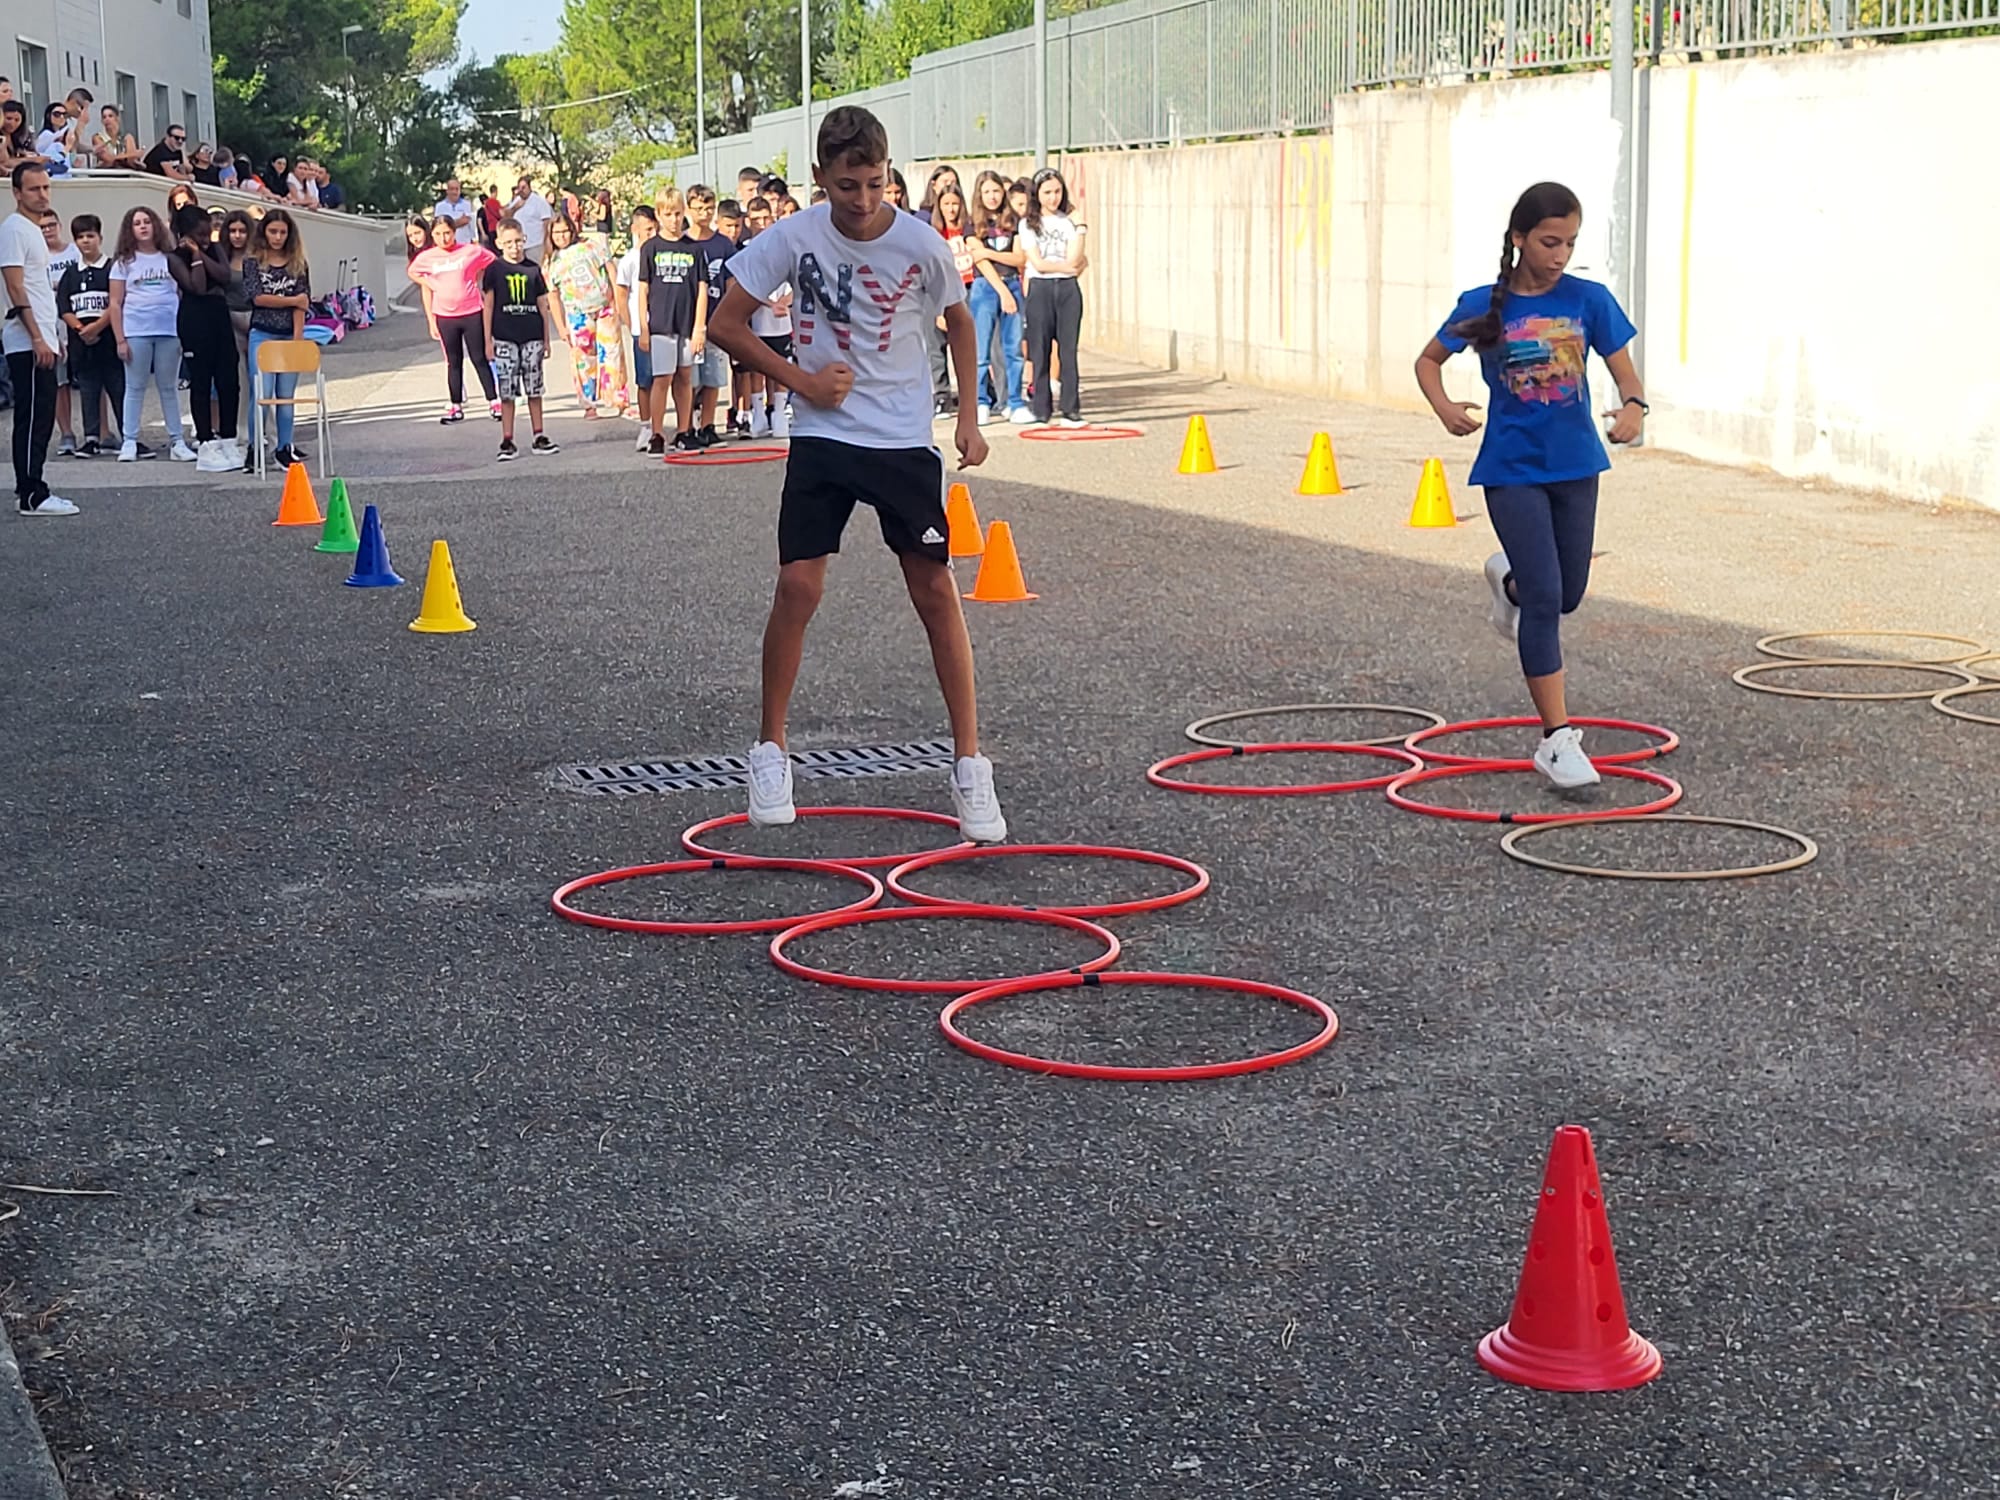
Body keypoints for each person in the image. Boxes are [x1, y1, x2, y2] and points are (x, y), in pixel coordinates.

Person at [708, 104, 1004, 841]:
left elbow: (961, 321)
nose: (864, 200)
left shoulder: (921, 243)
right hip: (823, 433)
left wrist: (968, 418)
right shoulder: (793, 236)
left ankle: (970, 764)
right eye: (847, 186)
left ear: (888, 174)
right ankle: (770, 751)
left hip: (902, 437)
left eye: (875, 184)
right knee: (798, 586)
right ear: (821, 177)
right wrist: (800, 382)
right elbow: (724, 324)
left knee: (934, 588)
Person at [1415, 181, 1647, 790]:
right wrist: (1444, 407)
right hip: (1511, 469)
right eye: (1549, 242)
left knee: (1566, 594)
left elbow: (1626, 374)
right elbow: (1427, 360)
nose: (1560, 254)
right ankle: (1556, 739)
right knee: (1545, 602)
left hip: (1577, 466)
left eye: (1570, 242)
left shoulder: (1589, 300)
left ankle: (1508, 581)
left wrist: (1634, 408)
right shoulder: (1482, 303)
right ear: (1519, 238)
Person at [2, 164, 79, 513]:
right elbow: (15, 287)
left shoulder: (33, 231)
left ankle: (30, 486)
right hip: (26, 340)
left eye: (46, 187)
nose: (43, 194)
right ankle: (33, 493)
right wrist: (36, 337)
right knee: (33, 416)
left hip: (42, 336)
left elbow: (38, 289)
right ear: (17, 193)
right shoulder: (14, 230)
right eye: (34, 189)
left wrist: (52, 335)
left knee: (42, 415)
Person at [107, 204, 196, 462]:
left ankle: (177, 441)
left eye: (147, 221)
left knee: (168, 387)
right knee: (135, 387)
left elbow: (181, 292)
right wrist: (120, 339)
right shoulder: (123, 263)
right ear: (130, 230)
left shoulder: (170, 258)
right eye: (137, 223)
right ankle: (130, 441)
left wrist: (183, 332)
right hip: (136, 331)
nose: (143, 227)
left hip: (169, 331)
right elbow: (115, 303)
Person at [168, 202, 241, 469]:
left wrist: (202, 252)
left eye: (208, 233)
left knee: (228, 379)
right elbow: (196, 286)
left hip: (218, 314)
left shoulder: (215, 248)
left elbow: (225, 276)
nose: (206, 239)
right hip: (194, 319)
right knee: (201, 381)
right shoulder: (174, 258)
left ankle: (229, 439)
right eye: (199, 235)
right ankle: (206, 443)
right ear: (185, 234)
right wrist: (195, 255)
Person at [481, 218, 559, 462]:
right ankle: (507, 438)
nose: (514, 247)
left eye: (518, 241)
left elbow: (542, 305)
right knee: (507, 391)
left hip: (531, 336)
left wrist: (546, 339)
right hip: (504, 337)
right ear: (499, 243)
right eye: (509, 243)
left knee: (534, 388)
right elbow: (488, 306)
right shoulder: (494, 270)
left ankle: (539, 434)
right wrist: (487, 340)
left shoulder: (533, 269)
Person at [408, 215, 499, 423]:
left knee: (479, 358)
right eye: (438, 234)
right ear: (432, 235)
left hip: (471, 312)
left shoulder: (469, 250)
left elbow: (490, 259)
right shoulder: (427, 257)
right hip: (445, 315)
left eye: (447, 233)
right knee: (453, 361)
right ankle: (456, 405)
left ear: (454, 232)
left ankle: (494, 401)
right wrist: (430, 284)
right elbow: (413, 272)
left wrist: (476, 277)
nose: (444, 238)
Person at [243, 208, 312, 469]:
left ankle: (285, 446)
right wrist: (292, 300)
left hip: (288, 334)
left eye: (283, 232)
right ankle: (255, 446)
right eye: (273, 231)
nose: (278, 237)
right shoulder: (253, 262)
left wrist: (297, 338)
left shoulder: (298, 264)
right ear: (264, 232)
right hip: (262, 333)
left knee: (286, 397)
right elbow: (258, 298)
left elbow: (303, 303)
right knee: (261, 393)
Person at [635, 188, 702, 456]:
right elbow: (643, 290)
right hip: (661, 324)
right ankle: (657, 433)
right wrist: (644, 327)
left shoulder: (694, 248)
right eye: (668, 214)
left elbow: (701, 289)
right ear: (659, 215)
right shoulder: (650, 248)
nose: (673, 220)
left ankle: (684, 430)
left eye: (677, 214)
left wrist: (699, 327)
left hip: (687, 323)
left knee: (685, 376)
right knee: (662, 377)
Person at [544, 210, 627, 420]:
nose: (561, 236)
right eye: (556, 233)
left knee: (612, 353)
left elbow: (611, 271)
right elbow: (553, 297)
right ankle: (589, 404)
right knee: (583, 359)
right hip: (578, 314)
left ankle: (618, 399)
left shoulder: (591, 246)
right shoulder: (551, 262)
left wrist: (618, 301)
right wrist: (561, 327)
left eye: (565, 231)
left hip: (604, 307)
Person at [1020, 166, 1086, 428]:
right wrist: (1063, 266)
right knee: (1040, 350)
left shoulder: (1068, 221)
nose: (1053, 197)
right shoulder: (1028, 223)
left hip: (1068, 289)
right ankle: (1041, 409)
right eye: (1047, 192)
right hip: (1041, 288)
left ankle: (1070, 410)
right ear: (1037, 194)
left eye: (1057, 191)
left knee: (1068, 351)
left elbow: (1076, 259)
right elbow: (1037, 263)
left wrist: (1081, 226)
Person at [57, 211, 122, 457]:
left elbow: (117, 301)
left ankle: (129, 436)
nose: (86, 241)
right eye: (81, 237)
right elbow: (64, 307)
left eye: (90, 235)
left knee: (118, 389)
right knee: (88, 390)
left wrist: (97, 327)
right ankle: (91, 437)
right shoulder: (71, 273)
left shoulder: (112, 268)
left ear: (100, 238)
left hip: (109, 341)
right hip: (81, 345)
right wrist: (80, 329)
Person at [966, 171, 1028, 425]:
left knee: (1013, 349)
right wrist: (1002, 292)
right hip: (985, 288)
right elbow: (978, 259)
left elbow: (1019, 258)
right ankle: (980, 402)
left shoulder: (1014, 221)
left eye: (996, 191)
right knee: (981, 351)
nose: (992, 196)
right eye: (987, 191)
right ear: (979, 194)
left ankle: (1015, 402)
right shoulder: (972, 223)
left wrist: (989, 253)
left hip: (1012, 282)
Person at [684, 183, 734, 446]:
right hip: (687, 322)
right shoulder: (682, 243)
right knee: (689, 378)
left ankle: (708, 425)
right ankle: (687, 425)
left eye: (709, 208)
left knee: (713, 376)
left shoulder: (722, 244)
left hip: (715, 318)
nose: (704, 213)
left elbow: (730, 283)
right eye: (698, 208)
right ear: (689, 209)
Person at [739, 196, 791, 441]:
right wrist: (768, 303)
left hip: (782, 321)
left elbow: (796, 280)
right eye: (756, 219)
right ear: (748, 221)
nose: (761, 223)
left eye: (765, 218)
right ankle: (758, 415)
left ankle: (779, 414)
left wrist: (784, 302)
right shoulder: (745, 249)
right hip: (757, 320)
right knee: (756, 370)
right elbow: (744, 285)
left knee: (781, 367)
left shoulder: (784, 244)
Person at [612, 203, 658, 452]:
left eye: (654, 229)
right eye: (647, 230)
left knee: (673, 377)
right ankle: (646, 426)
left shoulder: (662, 253)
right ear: (635, 229)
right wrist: (632, 325)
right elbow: (622, 295)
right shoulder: (629, 261)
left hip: (666, 324)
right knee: (645, 379)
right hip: (643, 328)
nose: (652, 234)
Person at [929, 181, 974, 416]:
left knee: (969, 344)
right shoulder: (933, 234)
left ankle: (975, 395)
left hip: (968, 288)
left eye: (955, 204)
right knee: (936, 347)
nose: (951, 209)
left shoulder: (969, 230)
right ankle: (942, 394)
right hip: (939, 292)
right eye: (946, 204)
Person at [38, 209, 81, 454]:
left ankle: (100, 432)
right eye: (42, 227)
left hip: (78, 320)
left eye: (51, 225)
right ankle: (66, 433)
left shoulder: (74, 252)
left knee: (91, 381)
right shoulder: (38, 256)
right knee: (59, 382)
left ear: (59, 226)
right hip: (52, 323)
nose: (47, 230)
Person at [506, 177, 555, 263]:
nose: (521, 190)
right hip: (520, 245)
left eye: (524, 187)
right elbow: (505, 216)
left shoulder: (539, 202)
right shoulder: (517, 201)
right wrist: (515, 208)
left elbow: (547, 223)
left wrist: (547, 241)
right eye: (519, 188)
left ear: (529, 187)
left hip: (535, 244)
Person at [91, 105, 144, 170]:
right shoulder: (98, 137)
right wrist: (130, 155)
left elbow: (131, 160)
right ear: (102, 121)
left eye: (110, 116)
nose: (107, 119)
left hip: (125, 173)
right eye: (104, 117)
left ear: (117, 118)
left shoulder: (127, 137)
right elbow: (108, 159)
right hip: (105, 173)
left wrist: (119, 157)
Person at [34, 104, 76, 177]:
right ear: (48, 116)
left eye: (64, 115)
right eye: (57, 114)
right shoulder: (46, 135)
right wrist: (67, 147)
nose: (62, 117)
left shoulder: (60, 136)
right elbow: (52, 161)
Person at [435, 178, 476, 245]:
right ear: (447, 191)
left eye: (457, 189)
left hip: (464, 243)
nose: (454, 192)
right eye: (452, 189)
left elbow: (470, 223)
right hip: (447, 244)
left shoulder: (467, 205)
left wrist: (474, 239)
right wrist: (459, 222)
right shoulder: (440, 206)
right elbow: (439, 227)